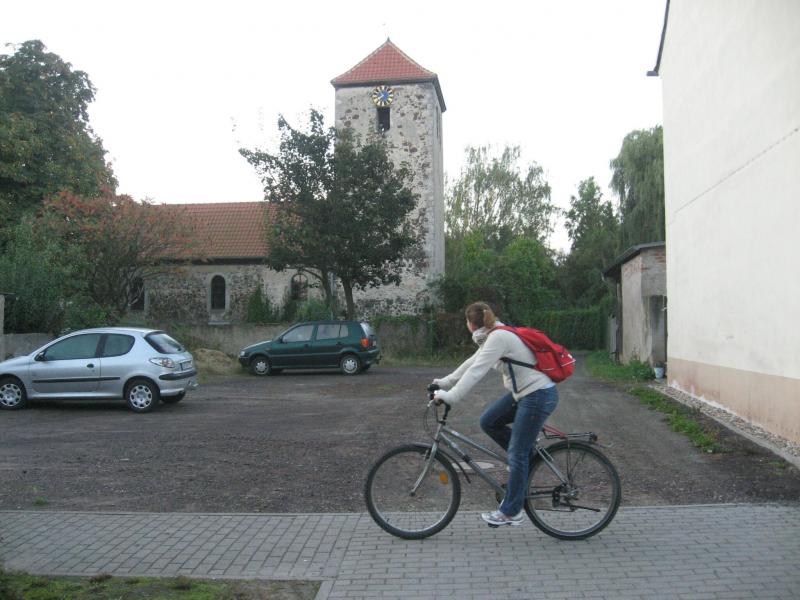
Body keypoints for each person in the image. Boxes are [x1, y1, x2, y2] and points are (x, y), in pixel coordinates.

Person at [432, 301, 559, 527]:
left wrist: (451, 396)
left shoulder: (498, 337)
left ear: (470, 323)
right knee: (489, 421)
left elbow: (476, 372)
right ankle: (526, 458)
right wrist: (445, 382)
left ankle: (511, 511)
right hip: (525, 394)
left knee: (517, 453)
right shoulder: (492, 335)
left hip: (537, 395)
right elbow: (472, 362)